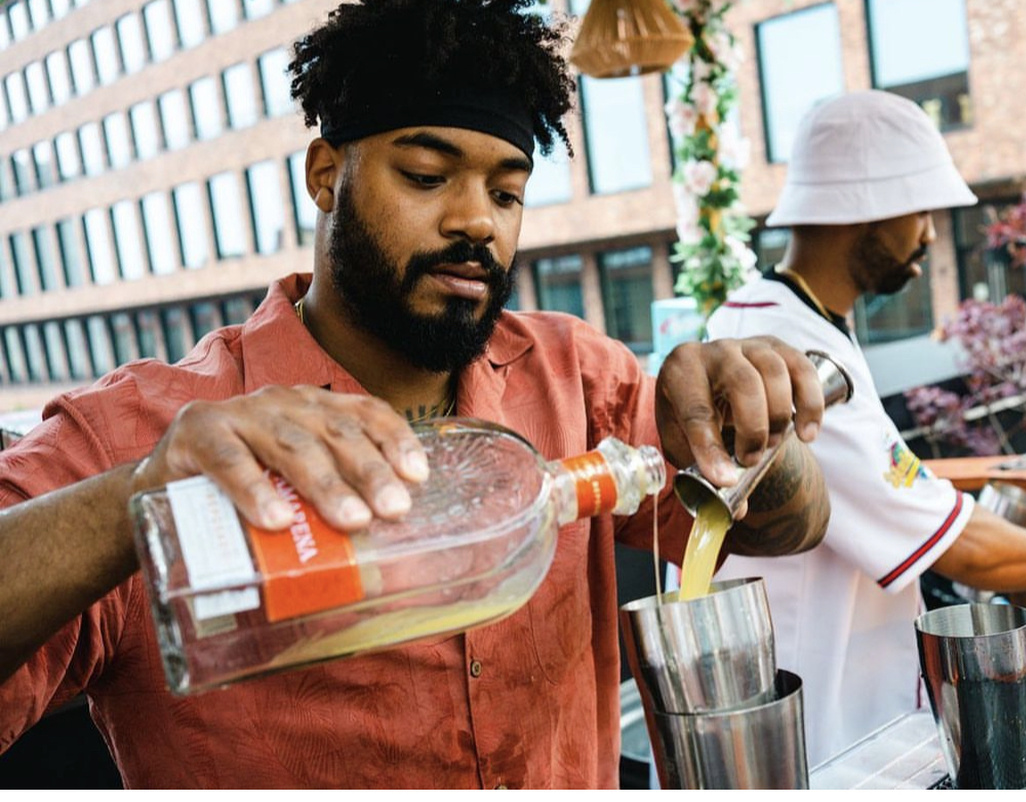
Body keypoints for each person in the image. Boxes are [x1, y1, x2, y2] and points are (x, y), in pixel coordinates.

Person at [0, 0, 833, 789]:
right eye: (429, 176)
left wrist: (761, 434)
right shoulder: (139, 434)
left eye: (507, 192)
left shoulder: (574, 374)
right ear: (326, 175)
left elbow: (789, 527)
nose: (478, 222)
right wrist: (135, 498)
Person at [706, 90, 1026, 765]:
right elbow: (967, 551)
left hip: (818, 704)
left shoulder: (782, 314)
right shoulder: (785, 343)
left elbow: (894, 488)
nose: (932, 235)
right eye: (924, 210)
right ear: (868, 206)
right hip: (817, 734)